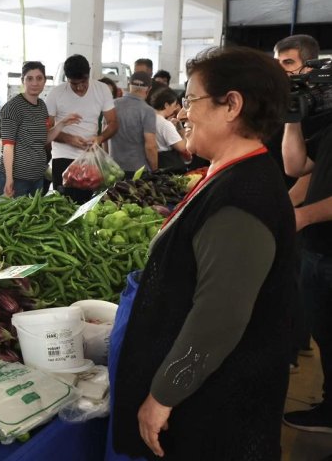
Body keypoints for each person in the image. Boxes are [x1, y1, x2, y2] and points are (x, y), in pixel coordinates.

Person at [113, 46, 296, 460]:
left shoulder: (242, 200)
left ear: (231, 105)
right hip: (210, 392)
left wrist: (162, 396)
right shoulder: (232, 173)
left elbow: (219, 318)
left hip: (216, 406)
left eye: (192, 101)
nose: (182, 114)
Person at [282, 85, 332, 434]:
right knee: (325, 337)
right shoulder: (328, 126)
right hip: (316, 251)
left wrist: (304, 216)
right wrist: (293, 119)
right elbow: (295, 164)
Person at [0, 62, 80, 197]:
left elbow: (42, 139)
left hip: (37, 179)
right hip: (17, 180)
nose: (34, 83)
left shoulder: (41, 106)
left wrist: (62, 124)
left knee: (33, 217)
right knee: (16, 217)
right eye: (29, 78)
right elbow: (8, 147)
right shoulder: (13, 108)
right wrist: (9, 178)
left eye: (39, 78)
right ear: (22, 80)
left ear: (44, 81)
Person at [45, 54, 118, 203]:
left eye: (83, 82)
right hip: (63, 158)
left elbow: (113, 122)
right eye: (73, 83)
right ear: (67, 78)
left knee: (87, 204)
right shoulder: (56, 94)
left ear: (89, 72)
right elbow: (45, 130)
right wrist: (68, 139)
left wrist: (100, 138)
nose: (79, 87)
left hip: (91, 158)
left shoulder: (102, 89)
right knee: (64, 205)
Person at [109, 71, 158, 176]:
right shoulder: (147, 111)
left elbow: (105, 136)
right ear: (149, 89)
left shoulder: (112, 105)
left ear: (128, 85)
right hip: (138, 171)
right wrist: (155, 171)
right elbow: (150, 146)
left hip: (114, 169)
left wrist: (108, 161)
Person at [149, 86, 191, 173]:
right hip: (167, 164)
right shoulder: (165, 124)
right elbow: (182, 147)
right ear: (166, 105)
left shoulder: (148, 119)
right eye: (174, 105)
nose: (175, 108)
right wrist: (183, 130)